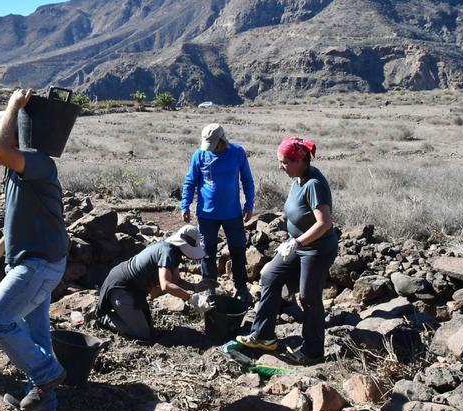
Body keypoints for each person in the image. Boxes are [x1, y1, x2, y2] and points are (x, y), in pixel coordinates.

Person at [0, 89, 70, 411]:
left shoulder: (38, 163)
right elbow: (23, 220)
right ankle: (46, 404)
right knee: (36, 334)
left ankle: (48, 374)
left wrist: (14, 105)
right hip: (34, 260)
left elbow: (0, 149)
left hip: (39, 264)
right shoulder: (18, 170)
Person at [236, 137, 338, 366]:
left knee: (309, 298)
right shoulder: (297, 179)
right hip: (298, 244)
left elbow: (324, 223)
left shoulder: (314, 184)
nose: (280, 166)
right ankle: (264, 336)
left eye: (284, 162)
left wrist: (297, 242)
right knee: (269, 275)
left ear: (299, 160)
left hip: (317, 249)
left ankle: (313, 352)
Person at [181, 123, 255, 303]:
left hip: (232, 214)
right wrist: (185, 205)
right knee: (207, 252)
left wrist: (249, 205)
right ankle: (209, 290)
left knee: (238, 250)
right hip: (207, 215)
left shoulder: (237, 153)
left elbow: (247, 180)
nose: (212, 149)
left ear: (222, 141)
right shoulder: (199, 155)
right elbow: (190, 182)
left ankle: (241, 288)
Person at [94, 225, 204, 342]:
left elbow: (176, 281)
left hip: (134, 290)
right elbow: (166, 285)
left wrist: (195, 287)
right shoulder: (167, 252)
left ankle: (121, 312)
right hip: (122, 287)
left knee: (149, 328)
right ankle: (104, 317)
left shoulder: (173, 252)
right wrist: (191, 298)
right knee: (143, 334)